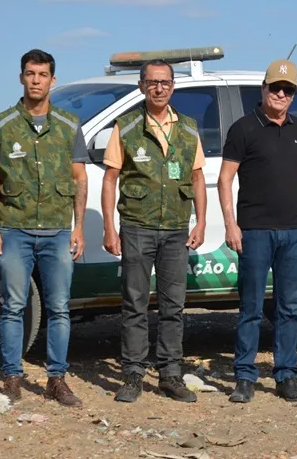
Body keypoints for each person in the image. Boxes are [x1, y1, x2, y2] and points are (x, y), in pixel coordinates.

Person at [0, 49, 88, 407]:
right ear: (21, 78)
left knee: (59, 307)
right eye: (30, 73)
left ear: (52, 80)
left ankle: (56, 379)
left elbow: (79, 177)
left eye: (43, 74)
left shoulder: (69, 125)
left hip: (58, 229)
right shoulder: (2, 124)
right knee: (14, 306)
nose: (36, 80)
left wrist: (78, 228)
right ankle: (12, 377)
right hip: (15, 228)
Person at [101, 59, 207, 404]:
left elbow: (197, 178)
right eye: (152, 82)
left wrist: (201, 221)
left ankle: (170, 375)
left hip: (176, 228)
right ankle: (132, 374)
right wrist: (108, 227)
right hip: (137, 226)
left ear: (173, 86)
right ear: (141, 86)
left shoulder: (189, 129)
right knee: (134, 303)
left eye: (165, 82)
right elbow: (110, 179)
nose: (159, 88)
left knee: (173, 305)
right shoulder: (127, 127)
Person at [218, 59, 297, 403]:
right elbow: (225, 179)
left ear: (293, 95)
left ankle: (286, 375)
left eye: (288, 90)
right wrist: (232, 225)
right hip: (255, 231)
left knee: (290, 308)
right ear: (263, 89)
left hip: (292, 231)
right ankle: (245, 376)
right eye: (275, 87)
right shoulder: (244, 128)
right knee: (251, 308)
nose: (280, 94)